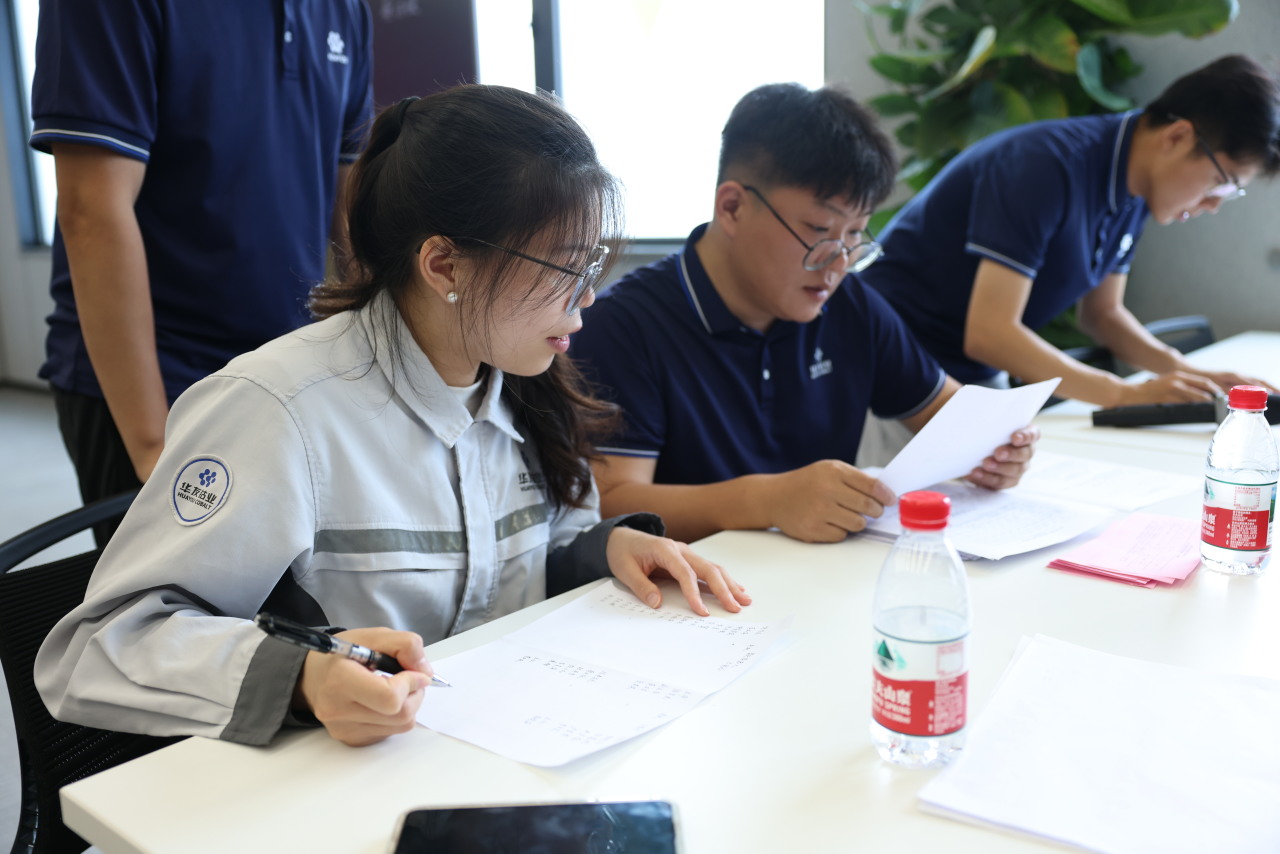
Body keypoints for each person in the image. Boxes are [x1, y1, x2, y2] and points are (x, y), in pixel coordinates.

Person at [36, 86, 750, 749]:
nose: (586, 296)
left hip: (494, 750)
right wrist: (303, 677)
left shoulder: (526, 380)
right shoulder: (277, 408)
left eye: (589, 265)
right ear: (444, 266)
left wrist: (602, 549)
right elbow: (96, 650)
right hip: (330, 782)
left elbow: (539, 547)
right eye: (565, 268)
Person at [569, 83, 1039, 546]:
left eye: (854, 235)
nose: (838, 263)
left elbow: (956, 418)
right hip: (688, 587)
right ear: (732, 207)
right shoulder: (623, 326)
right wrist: (766, 501)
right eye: (819, 230)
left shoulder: (849, 305)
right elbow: (611, 504)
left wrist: (995, 450)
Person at [29, 0, 374, 539]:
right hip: (161, 382)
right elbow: (93, 212)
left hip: (285, 375)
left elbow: (350, 213)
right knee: (170, 593)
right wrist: (152, 446)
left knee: (293, 584)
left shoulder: (344, 10)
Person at [861, 54, 1280, 414]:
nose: (1214, 205)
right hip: (890, 363)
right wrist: (1122, 394)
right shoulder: (1046, 166)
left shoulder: (1136, 187)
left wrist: (1188, 373)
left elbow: (1102, 314)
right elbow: (990, 333)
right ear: (1178, 136)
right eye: (1221, 183)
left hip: (965, 371)